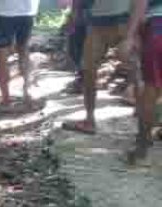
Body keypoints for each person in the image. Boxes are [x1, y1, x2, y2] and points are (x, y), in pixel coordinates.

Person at [63, 0, 136, 134]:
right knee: (88, 70)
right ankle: (89, 120)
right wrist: (74, 14)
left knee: (139, 67)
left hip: (121, 19)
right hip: (99, 21)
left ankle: (146, 117)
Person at [124, 0, 162, 163]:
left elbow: (141, 3)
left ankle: (142, 147)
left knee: (151, 88)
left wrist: (131, 35)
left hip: (157, 26)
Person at [0, 0, 41, 106]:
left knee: (1, 53)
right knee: (23, 50)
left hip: (4, 12)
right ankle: (27, 92)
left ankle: (6, 98)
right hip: (27, 11)